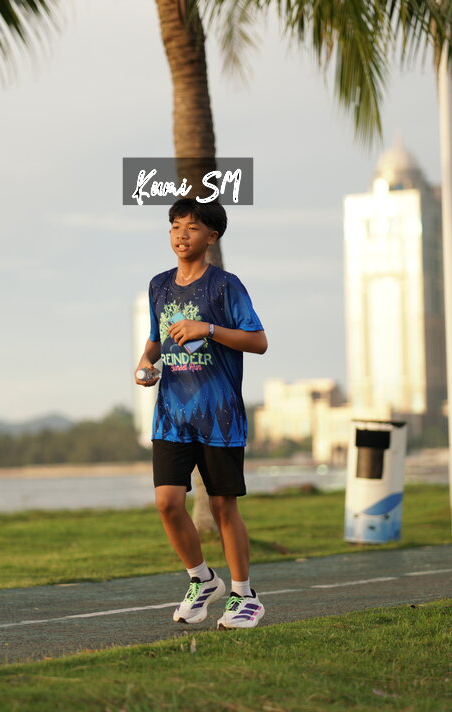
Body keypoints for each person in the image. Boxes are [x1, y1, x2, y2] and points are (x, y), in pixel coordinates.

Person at [135, 198, 267, 629]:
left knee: (223, 505)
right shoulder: (158, 286)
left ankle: (245, 596)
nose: (181, 235)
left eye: (191, 227)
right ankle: (202, 579)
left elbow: (258, 341)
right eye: (175, 226)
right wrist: (145, 363)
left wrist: (206, 329)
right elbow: (156, 339)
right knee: (167, 503)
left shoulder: (225, 286)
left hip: (219, 415)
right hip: (171, 415)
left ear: (212, 236)